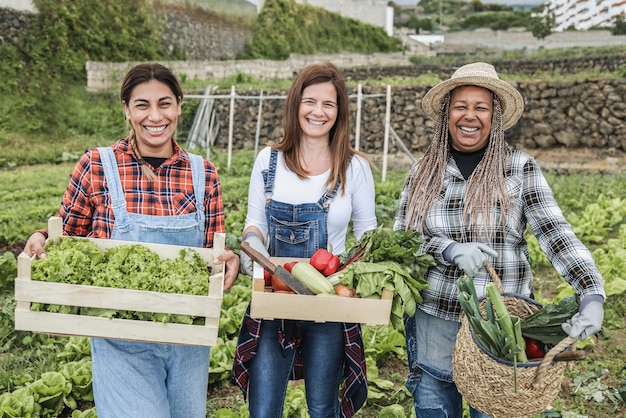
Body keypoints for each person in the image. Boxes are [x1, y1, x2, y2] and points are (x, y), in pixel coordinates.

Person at [23, 62, 240, 418]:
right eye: (142, 105)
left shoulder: (204, 173)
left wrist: (227, 259)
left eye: (165, 103)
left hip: (188, 339)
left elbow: (212, 251)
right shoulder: (97, 165)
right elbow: (67, 231)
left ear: (180, 106)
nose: (155, 116)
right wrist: (42, 237)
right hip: (120, 338)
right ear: (126, 109)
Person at [393, 62, 605, 418]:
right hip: (437, 320)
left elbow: (556, 234)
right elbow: (401, 240)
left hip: (503, 329)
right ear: (447, 115)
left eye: (481, 107)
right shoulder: (423, 171)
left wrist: (591, 293)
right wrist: (446, 248)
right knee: (434, 408)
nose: (469, 116)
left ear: (495, 115)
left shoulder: (519, 168)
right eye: (460, 106)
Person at [231, 62, 377, 418]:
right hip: (274, 298)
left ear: (339, 111)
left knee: (322, 407)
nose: (318, 111)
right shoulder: (269, 161)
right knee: (263, 409)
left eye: (329, 104)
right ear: (295, 105)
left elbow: (369, 236)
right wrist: (255, 246)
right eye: (309, 101)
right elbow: (255, 223)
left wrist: (365, 281)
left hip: (330, 303)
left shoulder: (354, 168)